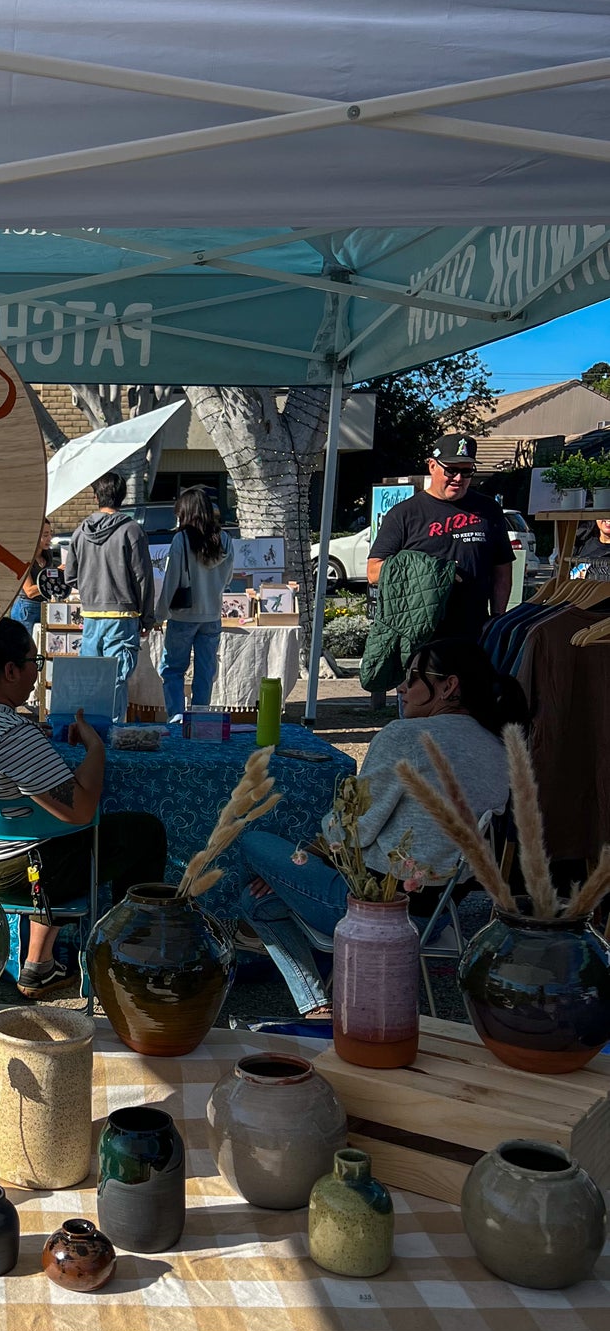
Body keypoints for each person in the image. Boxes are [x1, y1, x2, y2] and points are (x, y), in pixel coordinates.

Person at [239, 638, 526, 1017]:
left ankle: (318, 1007)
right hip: (440, 912)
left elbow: (349, 833)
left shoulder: (405, 737)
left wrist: (306, 853)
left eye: (412, 677)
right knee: (257, 898)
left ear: (449, 686)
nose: (402, 687)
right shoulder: (498, 747)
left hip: (371, 906)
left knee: (252, 840)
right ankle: (316, 1005)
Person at [0, 619, 167, 997]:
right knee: (144, 832)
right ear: (11, 670)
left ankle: (39, 964)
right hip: (17, 872)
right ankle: (129, 962)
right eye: (35, 661)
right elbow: (80, 810)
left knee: (49, 836)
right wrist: (95, 747)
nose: (38, 672)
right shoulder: (12, 737)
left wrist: (28, 737)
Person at [367, 434, 513, 637]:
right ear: (432, 466)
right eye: (451, 470)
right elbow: (373, 573)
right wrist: (430, 570)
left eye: (466, 471)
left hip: (474, 632)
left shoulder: (489, 510)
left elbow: (502, 570)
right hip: (418, 633)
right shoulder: (405, 513)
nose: (459, 478)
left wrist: (497, 618)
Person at [62, 473, 156, 716]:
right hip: (123, 616)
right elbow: (143, 577)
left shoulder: (80, 532)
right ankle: (112, 738)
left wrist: (90, 588)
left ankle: (92, 735)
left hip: (91, 615)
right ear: (123, 497)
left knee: (91, 680)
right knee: (117, 679)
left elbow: (69, 576)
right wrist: (147, 618)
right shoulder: (132, 530)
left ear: (95, 497)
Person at [159, 485, 235, 720]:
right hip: (212, 614)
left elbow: (171, 581)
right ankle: (200, 717)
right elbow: (228, 578)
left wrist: (159, 614)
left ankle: (176, 717)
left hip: (183, 615)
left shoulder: (181, 539)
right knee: (205, 671)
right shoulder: (224, 539)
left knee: (173, 670)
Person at [9, 519, 56, 629]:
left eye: (50, 533)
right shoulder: (23, 558)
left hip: (44, 607)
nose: (49, 538)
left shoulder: (47, 555)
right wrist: (55, 576)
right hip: (26, 608)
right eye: (45, 535)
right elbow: (29, 591)